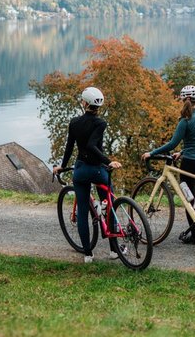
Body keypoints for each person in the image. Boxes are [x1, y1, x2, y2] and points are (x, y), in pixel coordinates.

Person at [52, 86, 123, 263]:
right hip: (99, 170)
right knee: (110, 207)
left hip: (81, 170)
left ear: (84, 103)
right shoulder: (100, 123)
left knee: (82, 212)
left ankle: (88, 254)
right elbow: (93, 146)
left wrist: (62, 166)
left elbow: (69, 147)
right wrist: (108, 162)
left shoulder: (74, 122)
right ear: (98, 105)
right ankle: (114, 250)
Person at [141, 85, 195, 244]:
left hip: (189, 164)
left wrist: (151, 153)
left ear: (183, 99)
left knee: (189, 200)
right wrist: (183, 151)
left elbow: (173, 143)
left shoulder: (184, 121)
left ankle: (194, 236)